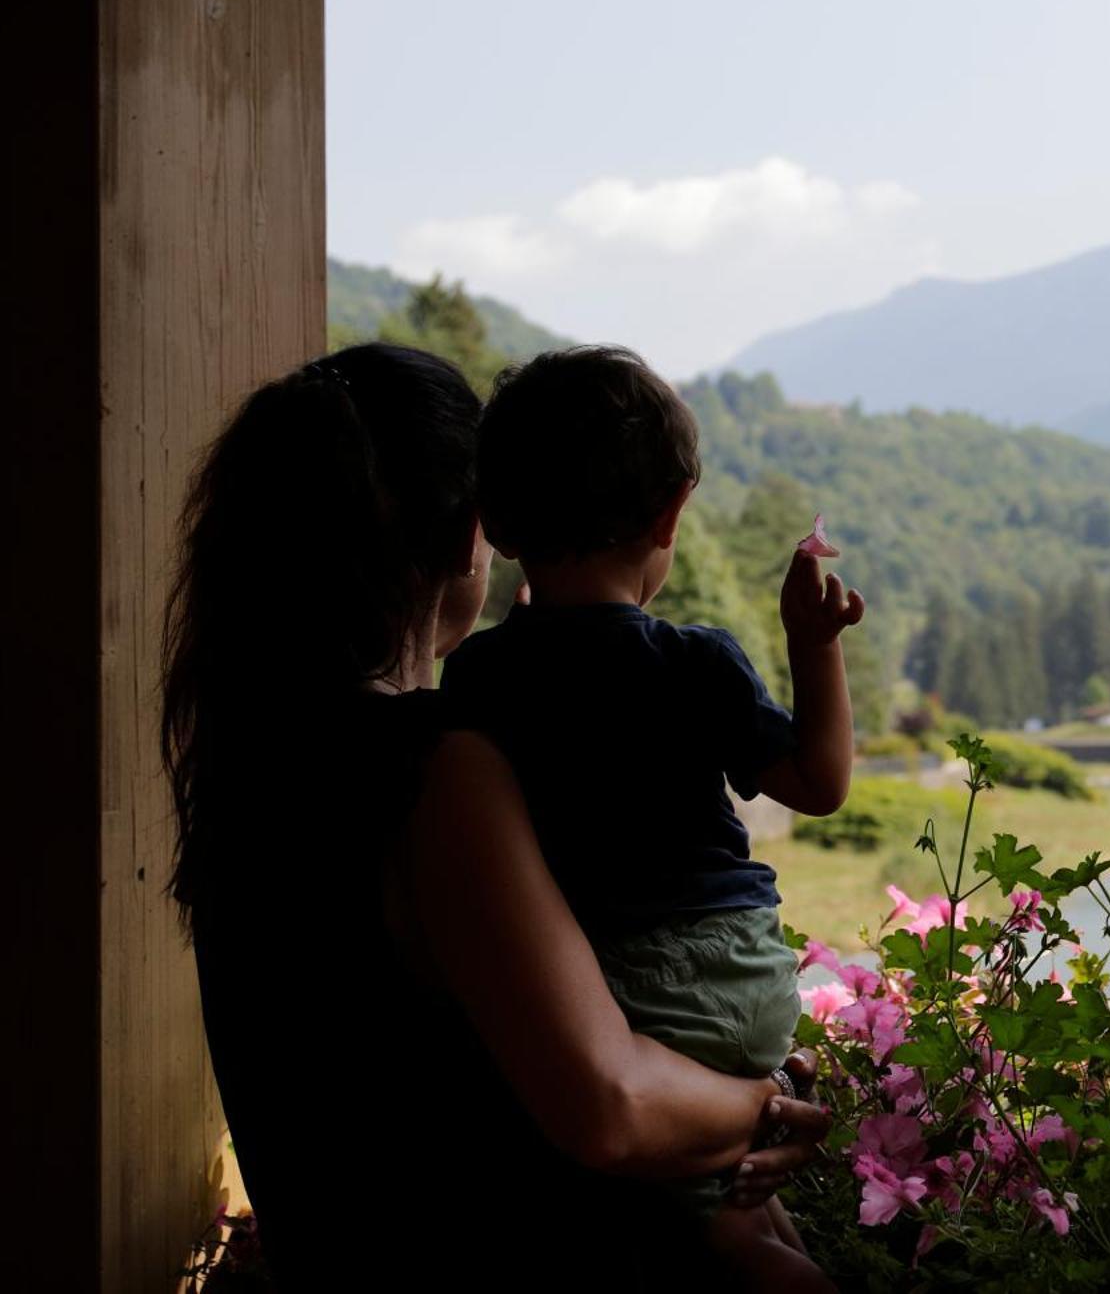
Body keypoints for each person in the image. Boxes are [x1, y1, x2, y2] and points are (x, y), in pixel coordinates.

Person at [162, 342, 827, 1289]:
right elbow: (610, 1103)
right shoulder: (434, 770)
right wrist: (762, 1100)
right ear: (471, 533)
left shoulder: (257, 768)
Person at [442, 346, 864, 1289]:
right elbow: (821, 780)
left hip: (631, 993)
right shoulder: (696, 662)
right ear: (673, 510)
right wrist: (812, 643)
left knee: (723, 1242)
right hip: (747, 966)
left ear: (497, 523)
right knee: (748, 1214)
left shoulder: (479, 677)